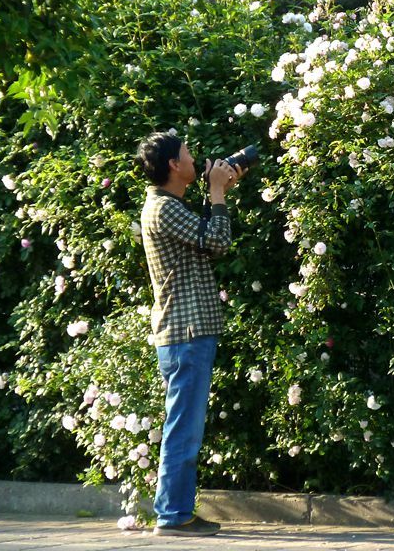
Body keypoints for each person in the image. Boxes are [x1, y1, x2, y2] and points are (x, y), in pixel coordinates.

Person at [135, 132, 244, 536]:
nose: (195, 158)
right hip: (186, 331)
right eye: (187, 153)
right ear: (173, 166)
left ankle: (175, 511)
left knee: (185, 424)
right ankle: (173, 515)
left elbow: (208, 245)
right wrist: (216, 193)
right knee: (184, 426)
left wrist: (220, 193)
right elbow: (217, 238)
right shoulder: (163, 208)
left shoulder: (170, 207)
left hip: (188, 331)